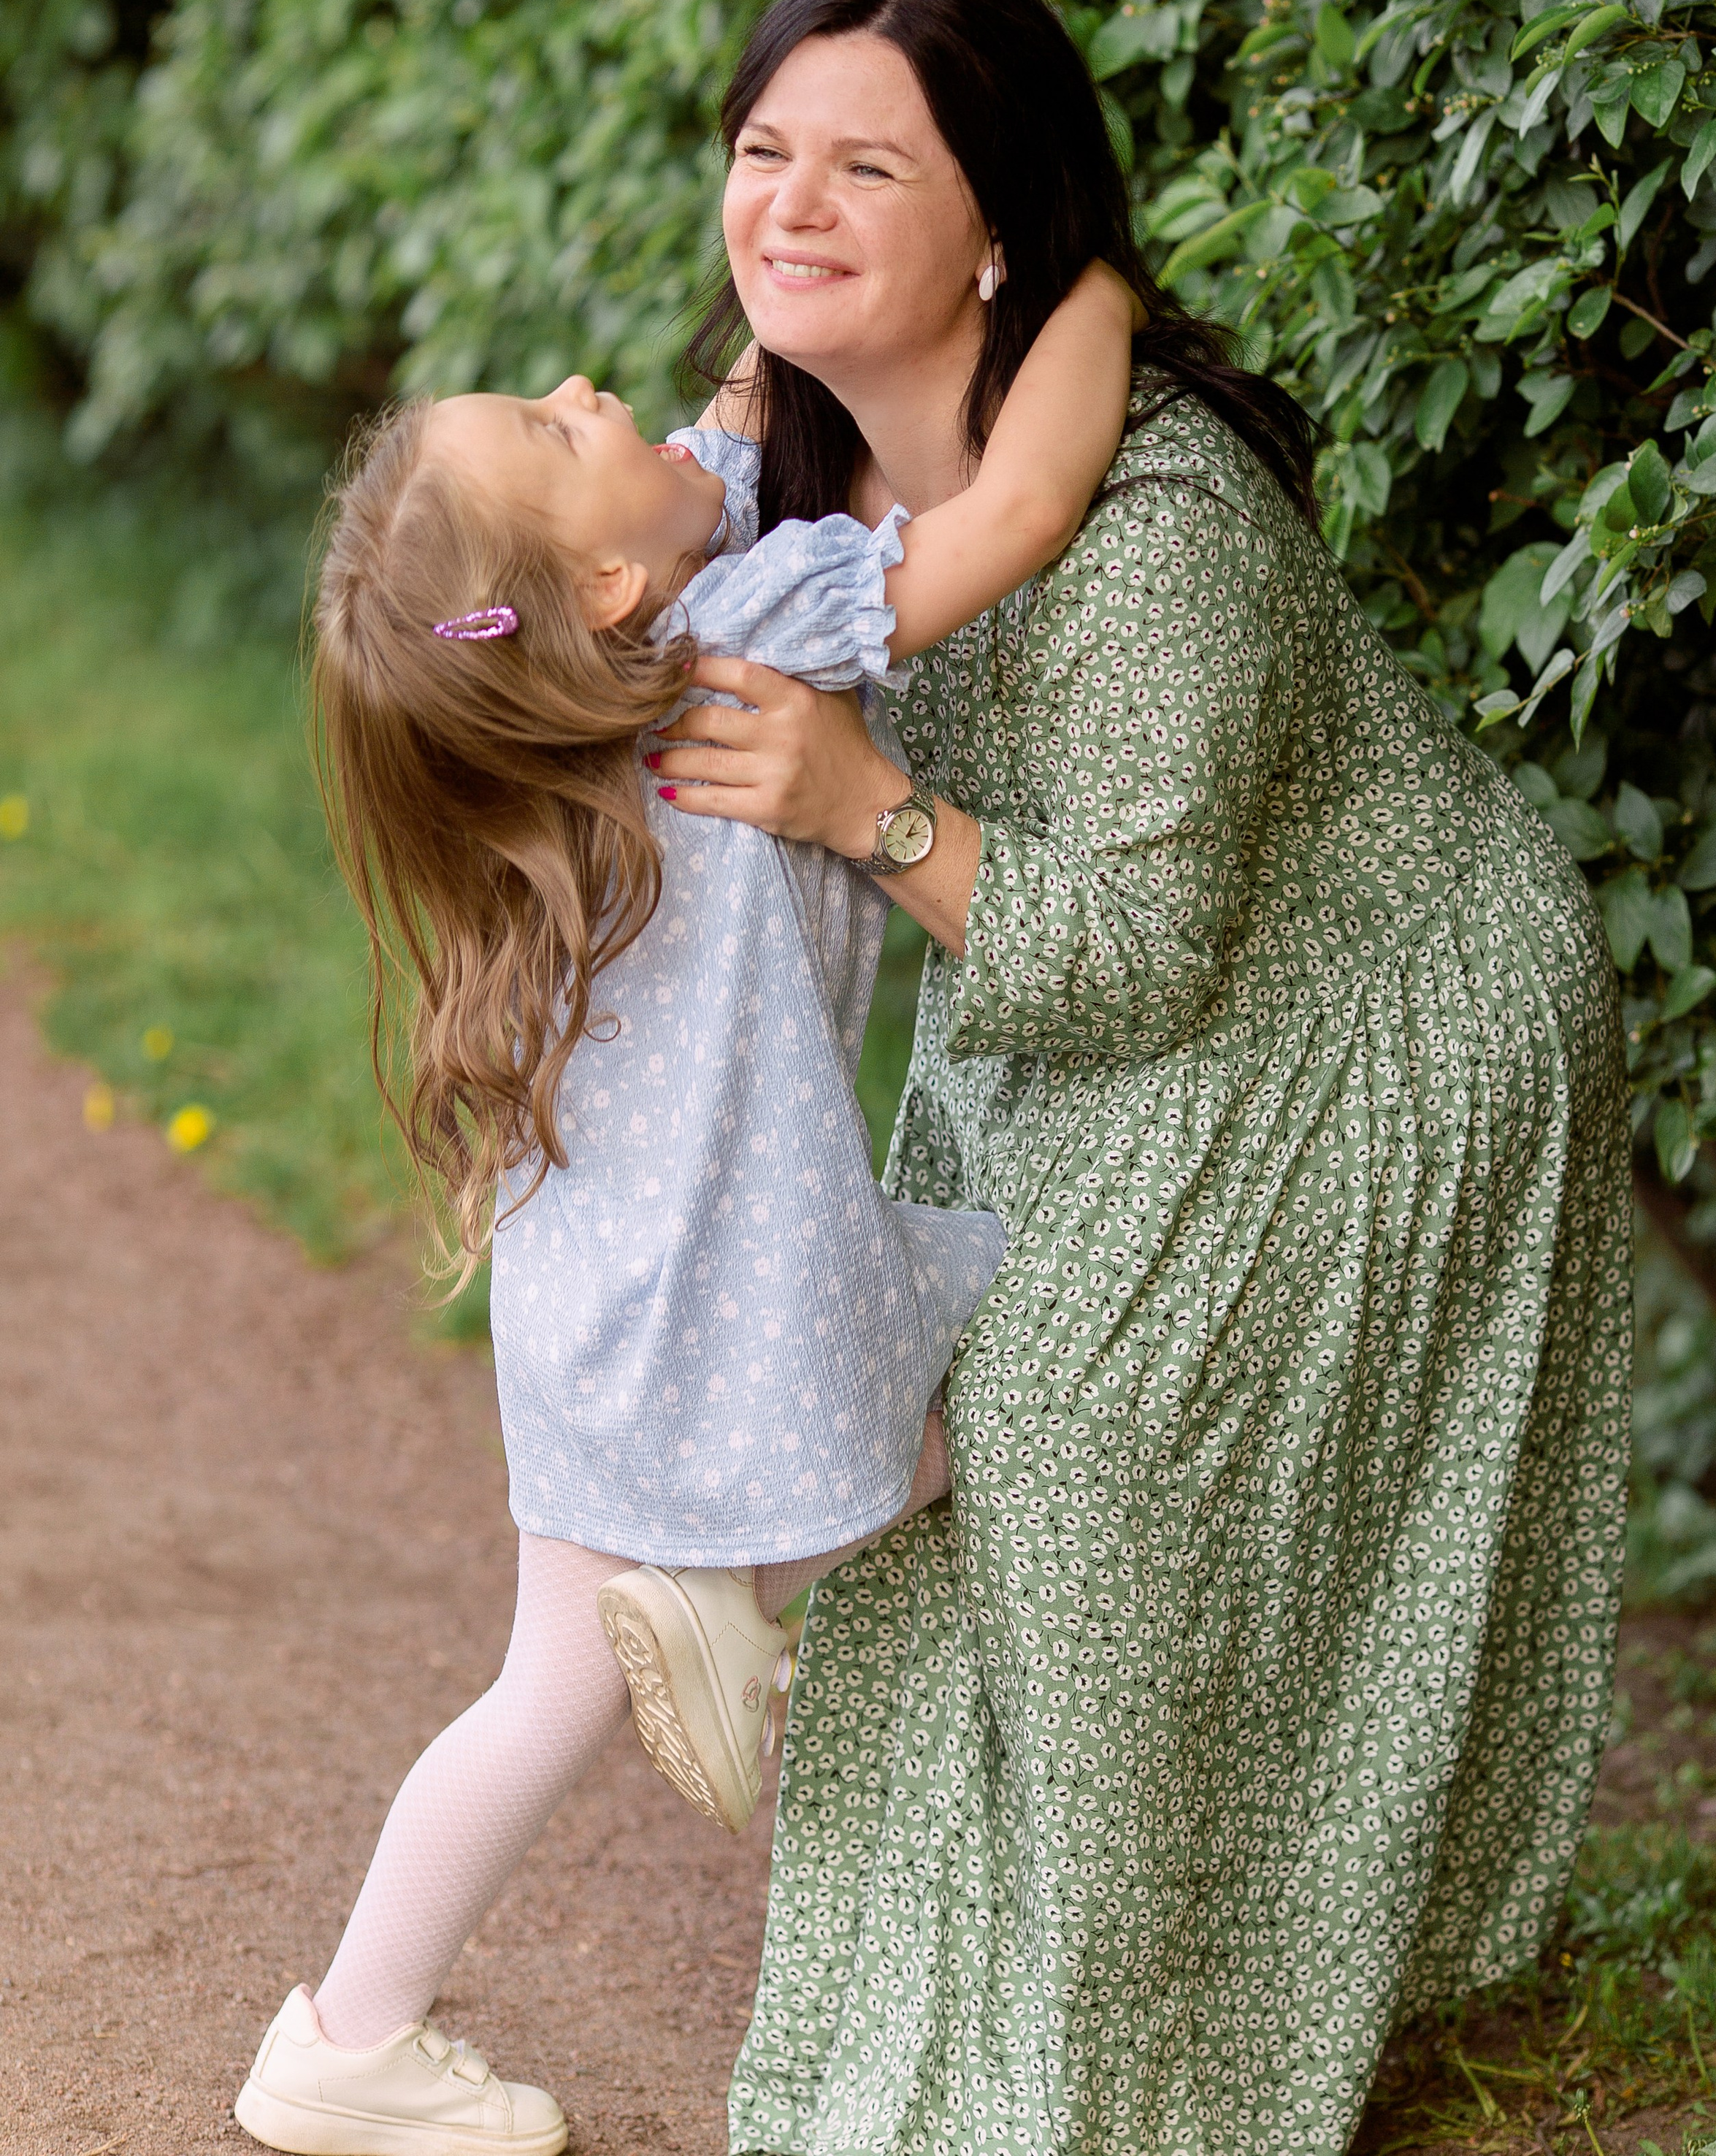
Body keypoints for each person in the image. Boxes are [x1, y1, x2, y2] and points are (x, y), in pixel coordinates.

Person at [646, 0, 1633, 2154]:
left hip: (1372, 1018)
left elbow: (1143, 955)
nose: (791, 206)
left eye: (866, 167)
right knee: (916, 1370)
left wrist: (857, 805)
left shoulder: (1161, 532)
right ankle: (935, 1998)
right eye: (760, 151)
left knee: (1067, 1418)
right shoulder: (788, 452)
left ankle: (1142, 2056)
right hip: (1087, 973)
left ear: (994, 226)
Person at [232, 251, 1138, 2155]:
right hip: (746, 1273)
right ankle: (733, 1585)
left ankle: (351, 2028)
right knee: (1012, 1378)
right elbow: (1030, 507)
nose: (587, 383)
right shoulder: (765, 636)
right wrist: (1094, 273)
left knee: (543, 1685)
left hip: (592, 1299)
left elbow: (734, 412)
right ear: (608, 590)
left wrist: (795, 270)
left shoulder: (580, 688)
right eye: (563, 430)